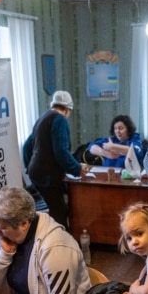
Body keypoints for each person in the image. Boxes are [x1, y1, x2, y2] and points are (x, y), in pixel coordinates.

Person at [25, 90, 89, 229]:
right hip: (48, 176)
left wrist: (29, 167)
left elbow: (26, 146)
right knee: (59, 213)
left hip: (36, 174)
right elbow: (61, 151)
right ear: (67, 109)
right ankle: (60, 244)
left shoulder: (42, 118)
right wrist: (77, 169)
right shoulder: (59, 120)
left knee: (51, 210)